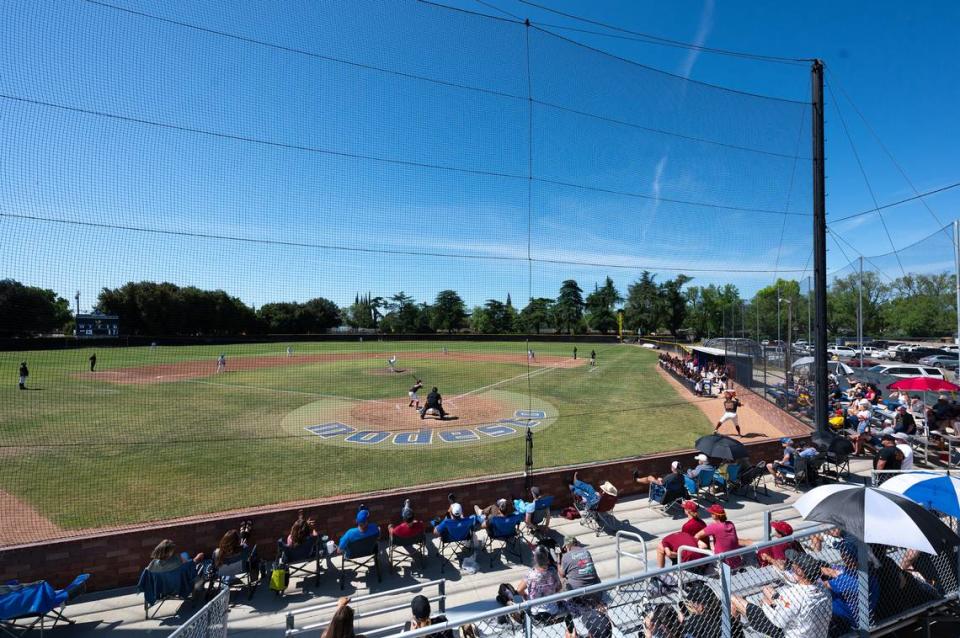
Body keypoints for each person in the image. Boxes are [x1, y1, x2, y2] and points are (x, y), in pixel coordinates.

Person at [731, 554, 832, 638]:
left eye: (794, 566)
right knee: (767, 590)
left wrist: (765, 604)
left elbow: (778, 622)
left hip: (783, 630)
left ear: (799, 571)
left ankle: (733, 634)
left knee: (734, 600)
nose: (792, 567)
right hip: (810, 630)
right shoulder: (824, 591)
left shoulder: (795, 594)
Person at [516, 545, 575, 638]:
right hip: (552, 610)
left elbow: (519, 590)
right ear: (547, 557)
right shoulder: (552, 571)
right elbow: (558, 587)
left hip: (535, 611)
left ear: (535, 559)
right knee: (566, 602)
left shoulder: (530, 574)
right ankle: (571, 631)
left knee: (527, 595)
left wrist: (525, 596)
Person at [656, 501, 706, 568]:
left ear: (687, 511)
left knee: (661, 548)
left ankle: (661, 570)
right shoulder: (702, 523)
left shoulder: (687, 526)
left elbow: (685, 541)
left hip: (692, 552)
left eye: (684, 508)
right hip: (702, 549)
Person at [695, 504, 743, 569]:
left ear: (715, 515)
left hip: (722, 562)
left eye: (711, 513)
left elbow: (696, 536)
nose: (710, 514)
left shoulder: (714, 526)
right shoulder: (731, 524)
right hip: (736, 561)